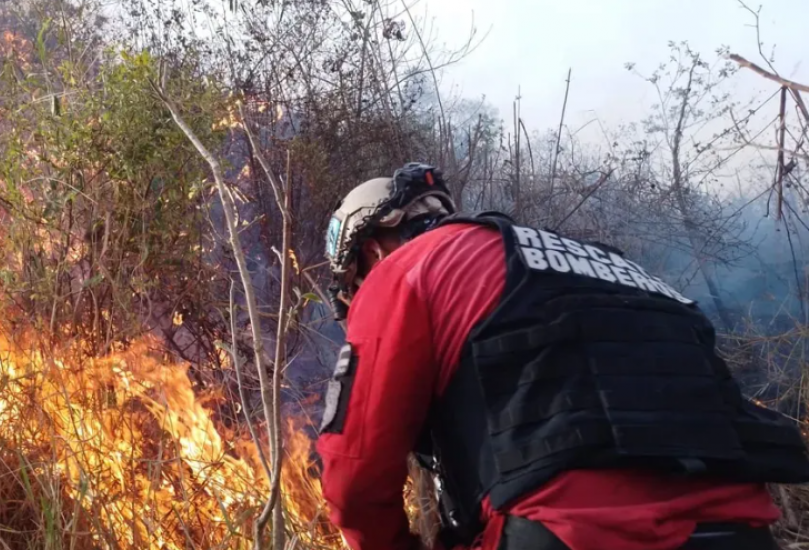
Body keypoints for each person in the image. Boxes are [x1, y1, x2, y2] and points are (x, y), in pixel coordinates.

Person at [316, 162, 809, 550]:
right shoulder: (610, 265)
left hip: (568, 529)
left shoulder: (404, 268)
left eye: (353, 287)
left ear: (371, 252)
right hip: (739, 527)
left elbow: (355, 478)